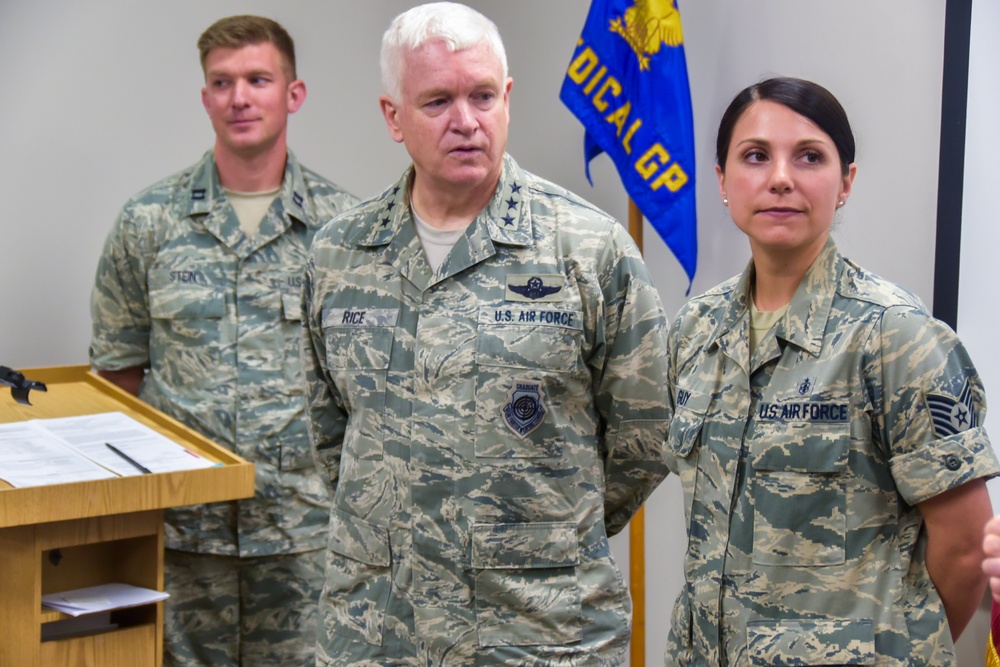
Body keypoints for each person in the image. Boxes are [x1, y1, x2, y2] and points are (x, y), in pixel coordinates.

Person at [300, 3, 671, 665]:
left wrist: (543, 528)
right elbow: (331, 434)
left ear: (509, 98)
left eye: (482, 96)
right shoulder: (340, 255)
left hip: (538, 630)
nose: (465, 121)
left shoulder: (588, 250)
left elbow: (644, 437)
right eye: (438, 100)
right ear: (393, 116)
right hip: (380, 629)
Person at [663, 76, 999, 666]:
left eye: (810, 156)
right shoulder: (696, 331)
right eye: (756, 156)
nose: (781, 178)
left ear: (845, 182)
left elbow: (966, 547)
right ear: (721, 180)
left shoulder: (896, 337)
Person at [89, 15, 359, 667]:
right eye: (223, 82)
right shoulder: (148, 222)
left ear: (292, 94)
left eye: (258, 79)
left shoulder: (344, 231)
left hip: (305, 538)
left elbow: (370, 389)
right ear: (205, 96)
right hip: (182, 538)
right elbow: (116, 383)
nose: (240, 97)